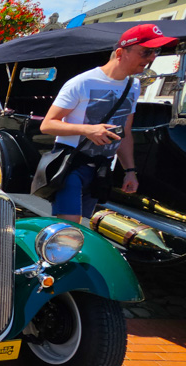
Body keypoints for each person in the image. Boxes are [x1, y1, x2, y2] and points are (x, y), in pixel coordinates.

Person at [38, 24, 177, 224]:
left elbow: (125, 132)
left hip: (102, 167)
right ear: (121, 52)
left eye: (156, 51)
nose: (151, 58)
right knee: (69, 226)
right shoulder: (82, 82)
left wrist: (130, 171)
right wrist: (87, 130)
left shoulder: (133, 85)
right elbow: (47, 124)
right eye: (146, 52)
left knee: (83, 227)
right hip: (72, 163)